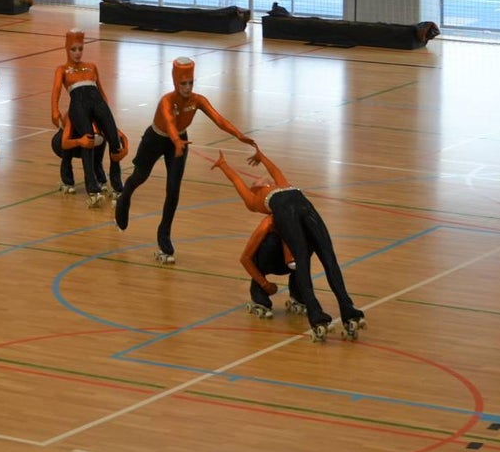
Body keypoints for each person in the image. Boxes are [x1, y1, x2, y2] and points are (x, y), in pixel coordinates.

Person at [210, 147, 367, 342]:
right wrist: (224, 165)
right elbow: (237, 181)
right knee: (302, 262)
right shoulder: (253, 199)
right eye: (256, 181)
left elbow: (274, 169)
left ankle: (348, 309)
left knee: (328, 255)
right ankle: (316, 315)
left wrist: (261, 156)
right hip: (285, 209)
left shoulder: (282, 183)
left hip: (304, 204)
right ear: (256, 188)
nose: (260, 178)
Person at [113, 56, 257, 265]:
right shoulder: (166, 101)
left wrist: (239, 135)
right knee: (139, 177)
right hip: (156, 138)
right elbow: (169, 123)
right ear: (175, 82)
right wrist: (175, 140)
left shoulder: (198, 100)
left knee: (173, 190)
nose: (188, 87)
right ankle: (124, 197)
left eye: (191, 83)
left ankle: (164, 235)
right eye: (183, 83)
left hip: (179, 142)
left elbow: (219, 119)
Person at [50, 29, 126, 207]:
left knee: (114, 141)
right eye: (73, 49)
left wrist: (108, 116)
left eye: (80, 49)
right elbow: (56, 92)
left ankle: (117, 184)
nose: (77, 53)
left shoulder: (92, 66)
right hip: (78, 104)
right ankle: (92, 186)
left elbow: (102, 92)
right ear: (67, 49)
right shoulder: (62, 70)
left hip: (97, 102)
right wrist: (54, 110)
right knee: (88, 140)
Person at [240, 215, 307, 319]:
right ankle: (259, 295)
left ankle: (297, 293)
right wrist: (265, 284)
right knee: (270, 241)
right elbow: (245, 258)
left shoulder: (301, 225)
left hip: (288, 264)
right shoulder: (267, 224)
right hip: (267, 260)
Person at [50, 114, 128, 195]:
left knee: (100, 140)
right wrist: (80, 141)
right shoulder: (72, 115)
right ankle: (68, 182)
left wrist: (125, 150)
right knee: (70, 144)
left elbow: (121, 136)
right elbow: (64, 143)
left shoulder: (101, 117)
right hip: (63, 143)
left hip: (86, 143)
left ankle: (100, 179)